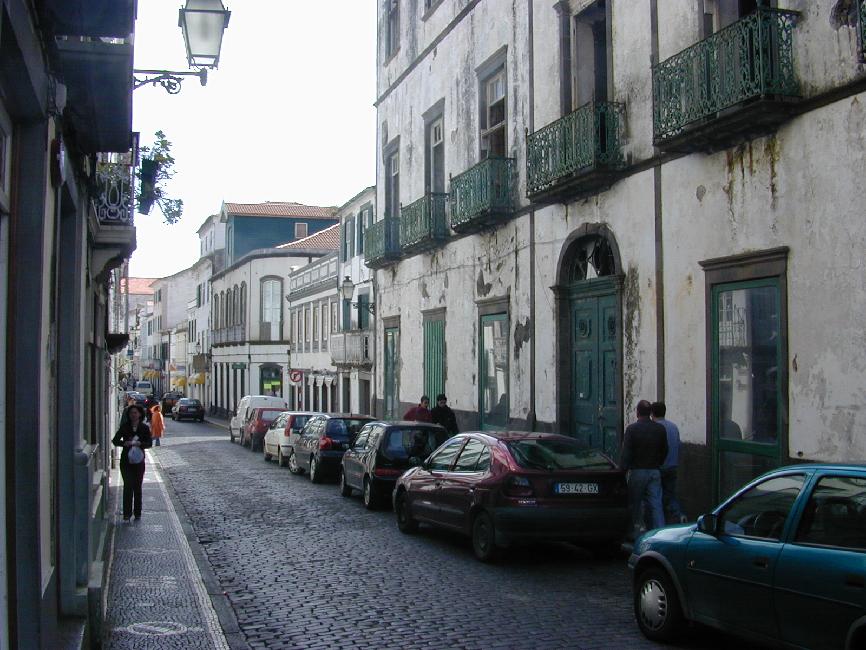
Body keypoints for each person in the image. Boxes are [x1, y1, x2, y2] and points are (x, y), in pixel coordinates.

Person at [620, 400, 668, 540]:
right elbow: (665, 450)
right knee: (656, 504)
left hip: (638, 471)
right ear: (650, 413)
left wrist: (622, 470)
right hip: (654, 470)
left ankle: (634, 533)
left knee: (634, 504)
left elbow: (627, 453)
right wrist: (658, 463)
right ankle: (660, 534)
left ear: (637, 413)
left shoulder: (632, 429)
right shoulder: (660, 429)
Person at [111, 404, 152, 522]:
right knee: (128, 486)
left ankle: (138, 512)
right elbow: (115, 440)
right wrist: (125, 443)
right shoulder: (125, 427)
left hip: (139, 461)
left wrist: (141, 444)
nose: (133, 415)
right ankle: (127, 513)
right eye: (131, 413)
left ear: (140, 414)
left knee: (137, 487)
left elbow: (149, 443)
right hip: (126, 461)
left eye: (135, 413)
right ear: (129, 415)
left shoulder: (144, 428)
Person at [651, 401, 684, 524]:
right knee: (671, 495)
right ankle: (679, 514)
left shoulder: (655, 428)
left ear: (652, 413)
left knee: (656, 497)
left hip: (659, 467)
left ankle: (659, 523)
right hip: (673, 465)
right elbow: (679, 445)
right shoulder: (673, 427)